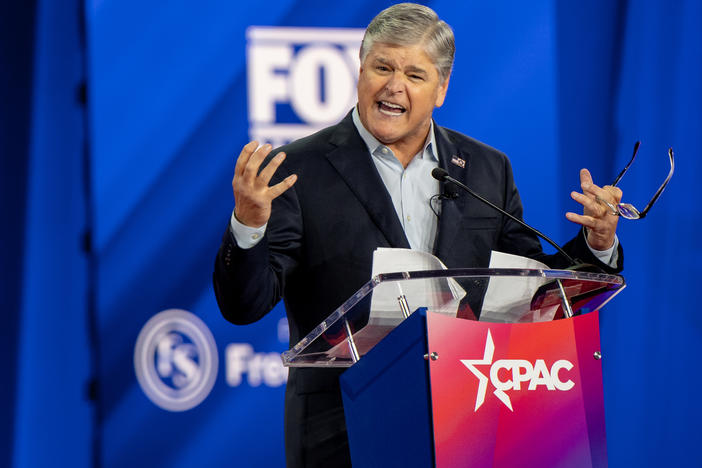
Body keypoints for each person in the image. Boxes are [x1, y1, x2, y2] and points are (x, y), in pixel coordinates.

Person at [213, 3, 623, 467]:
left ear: (442, 88)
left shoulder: (487, 168)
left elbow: (530, 289)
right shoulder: (298, 170)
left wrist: (597, 245)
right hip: (343, 428)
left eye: (414, 74)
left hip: (468, 421)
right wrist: (248, 225)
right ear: (360, 72)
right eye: (382, 67)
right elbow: (245, 305)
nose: (394, 86)